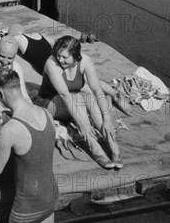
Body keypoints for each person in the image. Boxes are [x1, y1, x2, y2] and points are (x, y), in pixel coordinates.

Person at [0, 70, 58, 223]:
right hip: (50, 194)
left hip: (28, 204)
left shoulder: (11, 129)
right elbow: (35, 149)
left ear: (0, 93)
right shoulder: (46, 113)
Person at [34, 35, 122, 169]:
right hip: (48, 103)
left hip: (72, 104)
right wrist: (83, 125)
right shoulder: (52, 64)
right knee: (77, 98)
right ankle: (94, 146)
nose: (60, 59)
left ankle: (112, 144)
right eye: (58, 55)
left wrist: (107, 120)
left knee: (89, 97)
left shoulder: (86, 61)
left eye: (64, 57)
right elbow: (65, 96)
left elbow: (98, 90)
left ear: (75, 56)